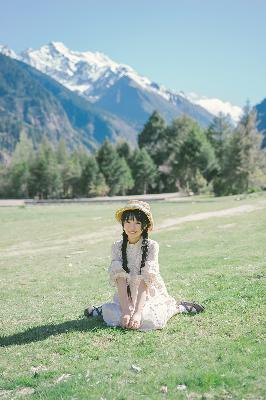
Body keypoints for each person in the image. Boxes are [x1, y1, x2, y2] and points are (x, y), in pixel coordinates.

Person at [84, 200, 204, 331]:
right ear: (123, 223)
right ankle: (103, 310)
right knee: (121, 317)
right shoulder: (116, 246)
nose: (132, 227)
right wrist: (125, 311)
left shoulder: (152, 246)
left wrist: (137, 313)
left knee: (150, 319)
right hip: (126, 294)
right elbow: (120, 279)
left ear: (145, 226)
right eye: (128, 222)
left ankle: (177, 307)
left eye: (137, 222)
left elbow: (145, 282)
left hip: (147, 291)